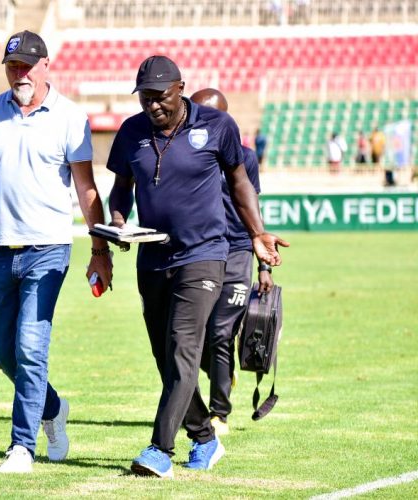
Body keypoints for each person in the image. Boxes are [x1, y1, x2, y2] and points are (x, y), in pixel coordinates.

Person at [106, 55, 288, 479]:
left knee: (182, 347)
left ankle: (159, 450)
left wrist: (258, 233)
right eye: (145, 98)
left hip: (205, 255)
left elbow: (240, 183)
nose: (152, 106)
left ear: (181, 88)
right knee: (164, 356)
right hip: (152, 257)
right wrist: (117, 222)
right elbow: (120, 189)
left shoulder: (217, 127)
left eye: (160, 97)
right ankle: (205, 438)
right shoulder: (132, 131)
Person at [0, 30, 112, 474]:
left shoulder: (70, 118)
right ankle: (53, 408)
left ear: (44, 66)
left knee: (30, 346)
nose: (17, 73)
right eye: (11, 66)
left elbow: (85, 186)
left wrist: (99, 248)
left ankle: (21, 446)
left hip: (50, 249)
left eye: (25, 66)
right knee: (2, 352)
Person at [190, 88, 274, 437]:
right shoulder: (187, 153)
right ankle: (222, 376)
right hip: (200, 252)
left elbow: (251, 207)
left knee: (221, 333)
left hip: (238, 251)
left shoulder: (245, 157)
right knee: (196, 336)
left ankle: (219, 413)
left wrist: (263, 264)